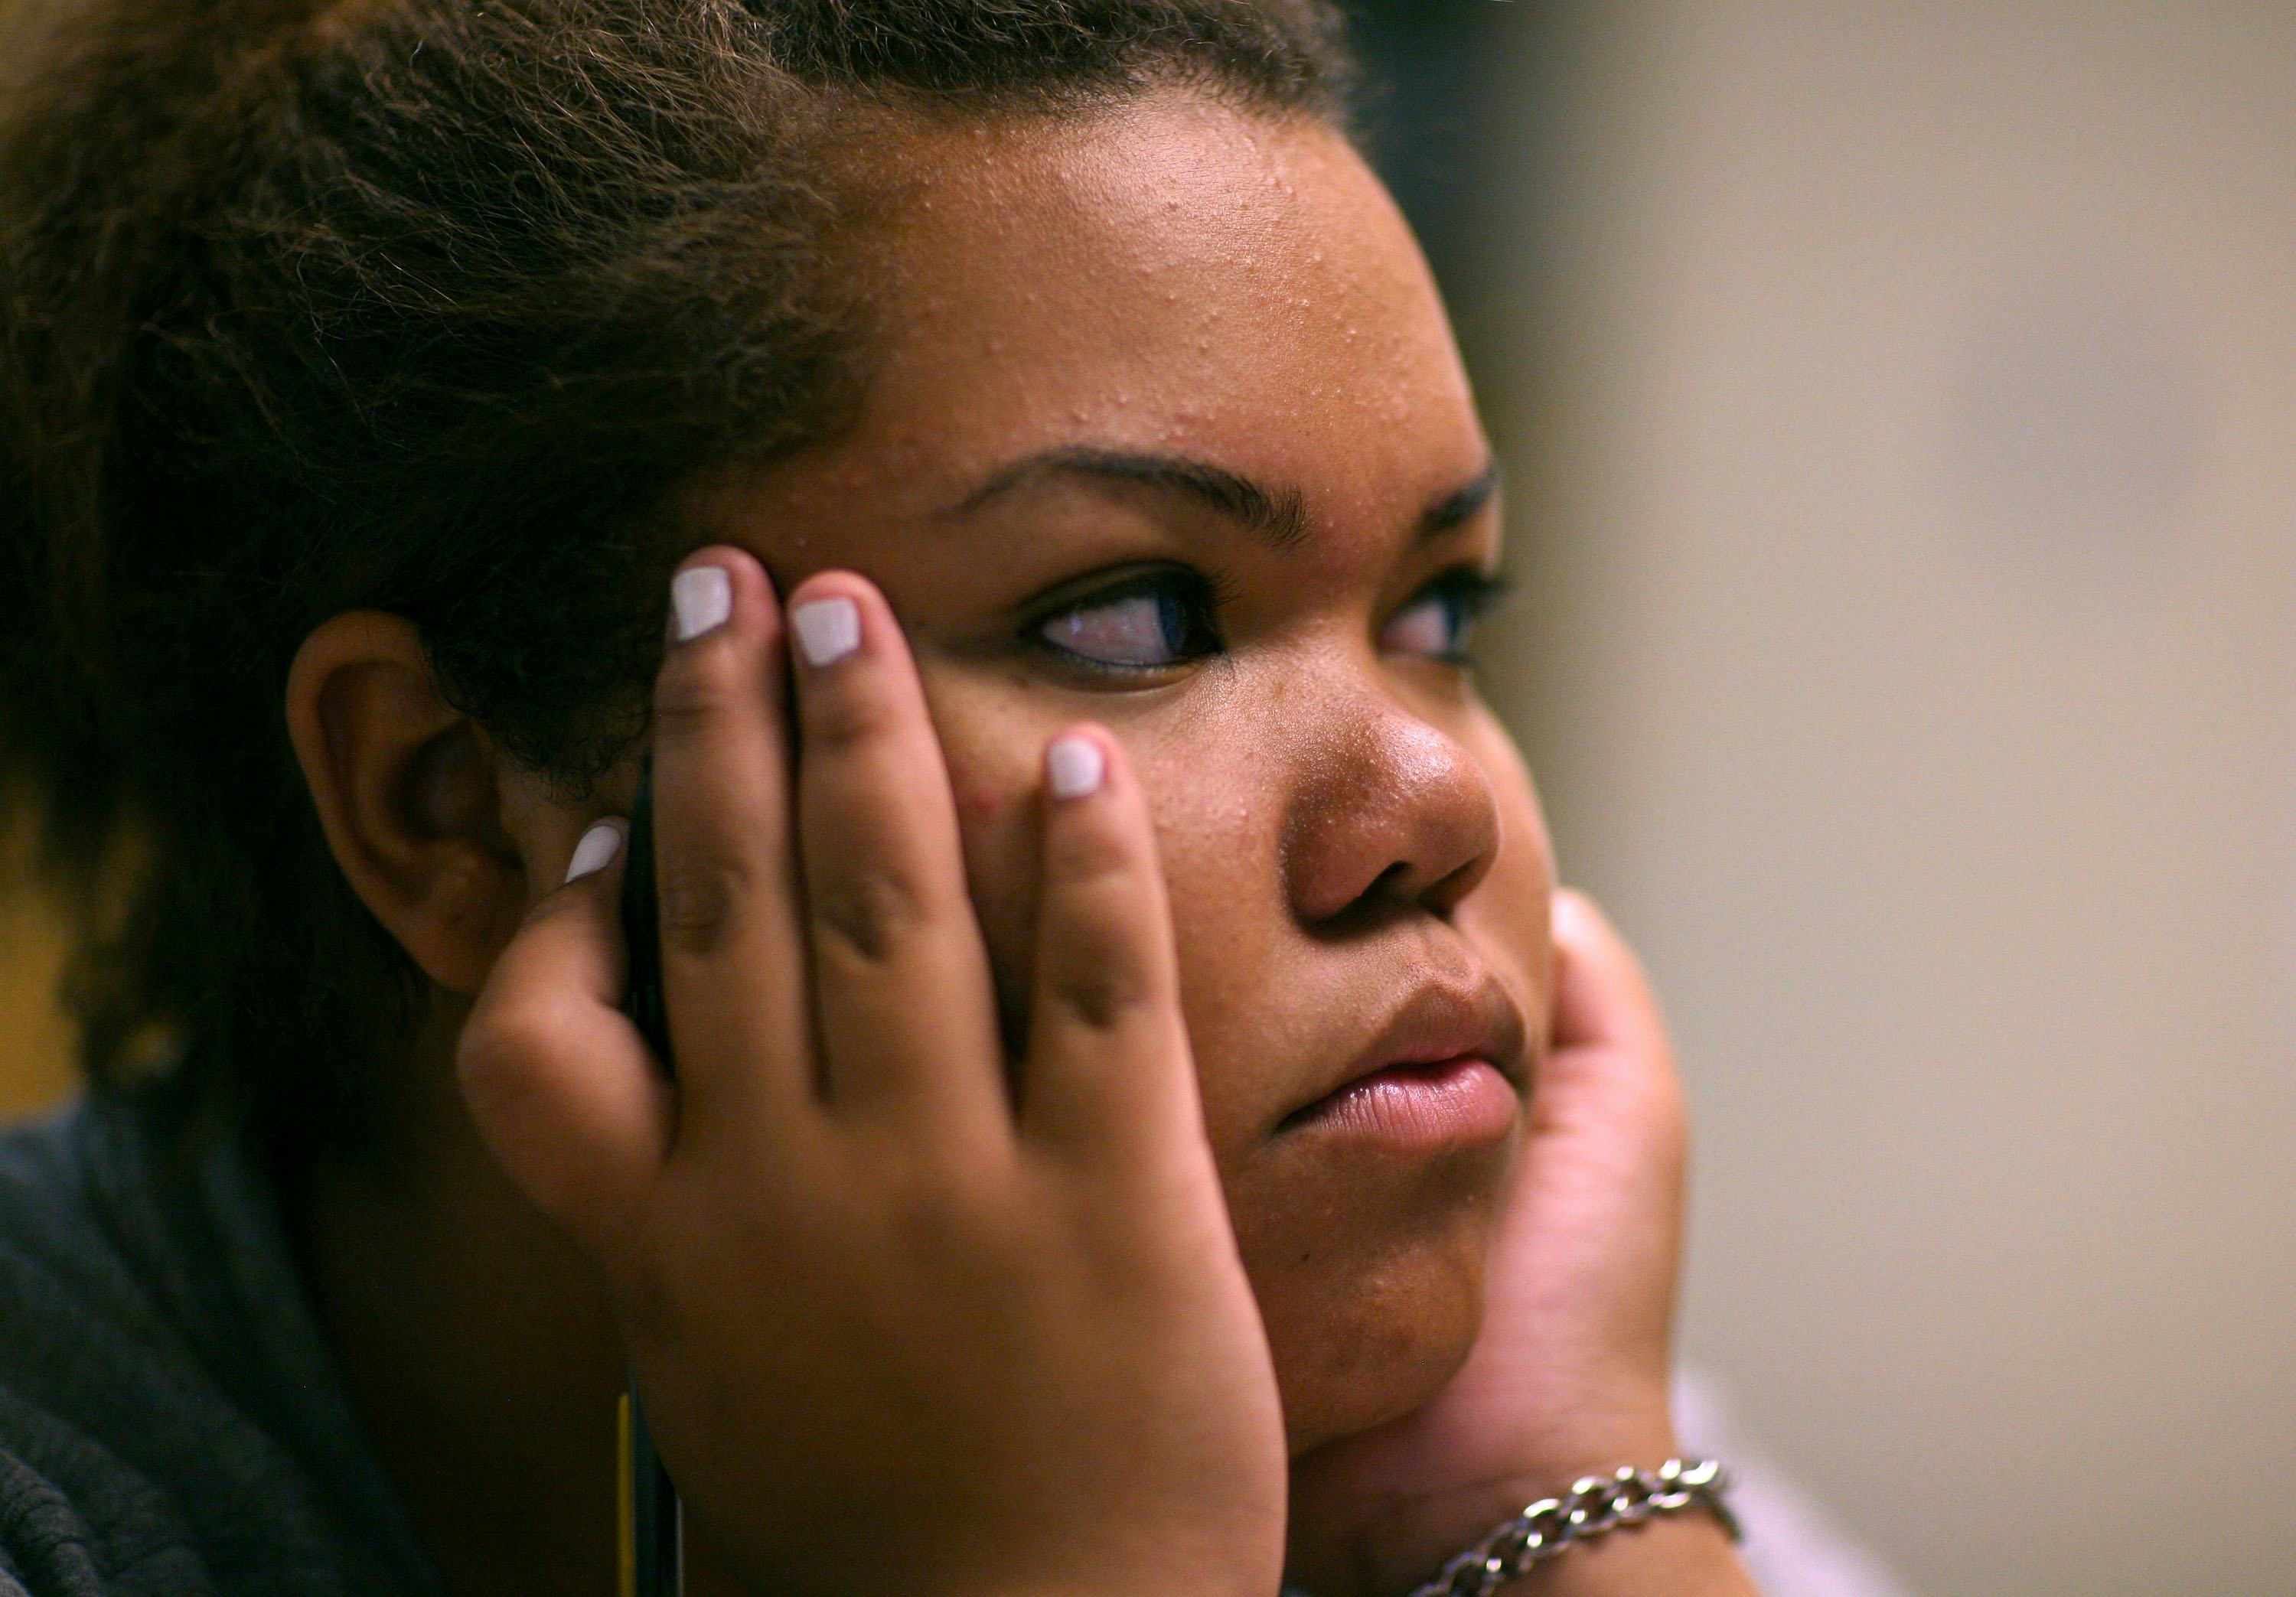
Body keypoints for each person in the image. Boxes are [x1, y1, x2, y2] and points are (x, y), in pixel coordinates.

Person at [0, 2, 1781, 1592]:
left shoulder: (1510, 1410)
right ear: (449, 804)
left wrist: (1556, 1516)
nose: (1438, 807)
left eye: (1440, 613)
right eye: (1133, 620)